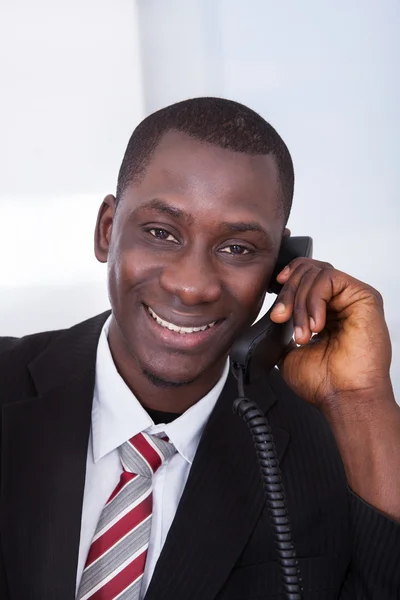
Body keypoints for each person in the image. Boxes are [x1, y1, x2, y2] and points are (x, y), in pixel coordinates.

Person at [0, 97, 399, 600]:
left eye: (237, 248)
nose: (192, 286)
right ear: (107, 231)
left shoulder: (332, 451)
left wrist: (363, 401)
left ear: (283, 265)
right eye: (161, 232)